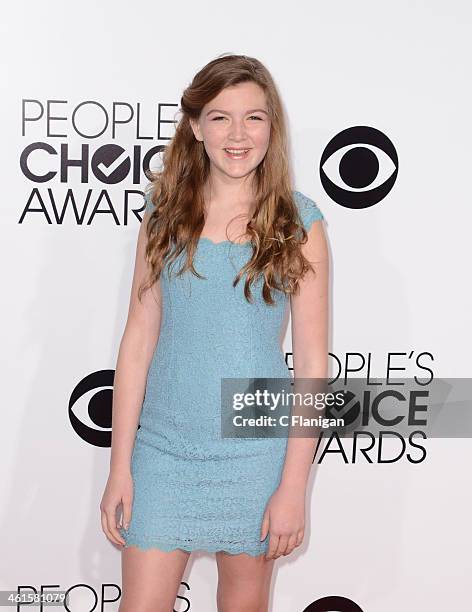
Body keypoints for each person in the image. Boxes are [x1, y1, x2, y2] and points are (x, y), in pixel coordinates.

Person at [100, 53, 329, 612]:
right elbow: (137, 342)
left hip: (255, 455)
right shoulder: (163, 213)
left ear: (272, 129)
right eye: (220, 117)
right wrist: (119, 466)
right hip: (162, 452)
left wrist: (293, 488)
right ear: (196, 127)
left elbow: (313, 369)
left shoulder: (299, 223)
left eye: (254, 117)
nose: (238, 134)